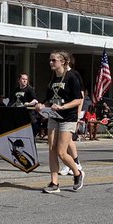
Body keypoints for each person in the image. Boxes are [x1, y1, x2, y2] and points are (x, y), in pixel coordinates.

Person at [35, 50, 84, 193]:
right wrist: (41, 105)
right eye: (50, 60)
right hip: (53, 117)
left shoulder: (72, 76)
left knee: (61, 152)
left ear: (63, 62)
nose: (51, 62)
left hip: (68, 118)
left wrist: (62, 107)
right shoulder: (53, 79)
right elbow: (48, 99)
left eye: (54, 60)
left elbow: (78, 99)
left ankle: (77, 172)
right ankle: (54, 183)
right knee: (51, 149)